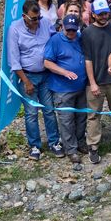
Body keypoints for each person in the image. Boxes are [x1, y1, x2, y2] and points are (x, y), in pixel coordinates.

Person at [8, 1, 61, 160]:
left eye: (38, 17)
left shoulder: (44, 23)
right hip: (28, 76)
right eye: (33, 19)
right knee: (31, 113)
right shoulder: (15, 29)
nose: (37, 21)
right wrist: (25, 81)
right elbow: (13, 60)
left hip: (46, 75)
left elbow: (54, 39)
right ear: (24, 16)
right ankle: (35, 146)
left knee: (49, 110)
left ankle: (54, 142)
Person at [81, 0, 111, 160]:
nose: (103, 16)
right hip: (96, 81)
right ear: (93, 14)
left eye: (106, 13)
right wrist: (92, 82)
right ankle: (93, 145)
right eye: (100, 14)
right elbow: (88, 60)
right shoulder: (87, 33)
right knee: (94, 115)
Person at [43, 14, 90, 166]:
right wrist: (65, 72)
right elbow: (47, 63)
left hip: (81, 87)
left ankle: (80, 142)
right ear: (62, 26)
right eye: (68, 30)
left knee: (81, 117)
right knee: (66, 120)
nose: (70, 33)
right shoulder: (55, 40)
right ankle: (71, 150)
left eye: (73, 30)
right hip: (62, 89)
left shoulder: (80, 37)